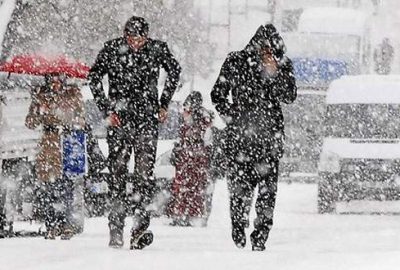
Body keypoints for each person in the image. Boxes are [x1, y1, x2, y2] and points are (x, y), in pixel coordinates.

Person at [88, 16, 181, 249]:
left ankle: (139, 228)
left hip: (146, 119)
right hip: (119, 121)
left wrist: (164, 103)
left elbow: (175, 71)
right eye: (130, 38)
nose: (134, 43)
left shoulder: (157, 49)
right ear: (124, 35)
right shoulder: (112, 49)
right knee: (117, 175)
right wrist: (106, 109)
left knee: (143, 176)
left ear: (146, 37)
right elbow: (94, 77)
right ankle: (116, 228)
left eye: (138, 39)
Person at [211, 24, 297, 251]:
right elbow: (217, 94)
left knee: (268, 193)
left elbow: (289, 96)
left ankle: (260, 236)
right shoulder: (236, 61)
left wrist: (275, 72)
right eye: (265, 48)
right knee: (239, 190)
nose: (267, 53)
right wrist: (231, 118)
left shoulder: (283, 65)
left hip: (270, 140)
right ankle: (238, 225)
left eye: (272, 50)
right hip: (241, 139)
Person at [25, 73, 86, 240]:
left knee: (67, 186)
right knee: (48, 187)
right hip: (48, 145)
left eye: (58, 78)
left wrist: (68, 117)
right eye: (52, 78)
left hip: (68, 142)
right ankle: (52, 224)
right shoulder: (40, 95)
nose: (55, 82)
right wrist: (40, 110)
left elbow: (81, 120)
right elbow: (30, 122)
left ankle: (67, 224)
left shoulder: (73, 94)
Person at [168, 91, 213, 227]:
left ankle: (188, 214)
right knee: (188, 187)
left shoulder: (199, 120)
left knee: (189, 187)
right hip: (190, 158)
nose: (184, 110)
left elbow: (204, 140)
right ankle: (186, 213)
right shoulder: (195, 119)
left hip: (193, 159)